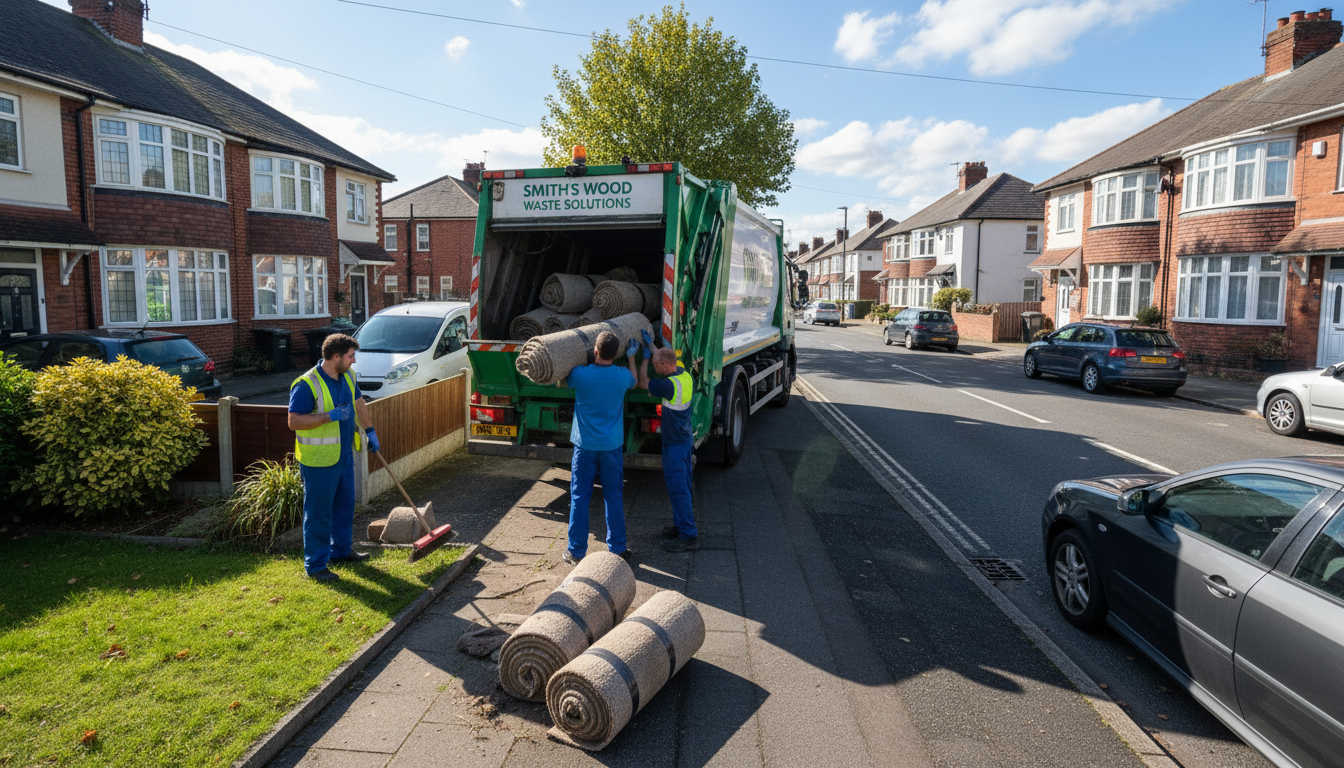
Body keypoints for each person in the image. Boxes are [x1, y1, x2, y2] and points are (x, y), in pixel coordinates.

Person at [287, 333, 380, 582]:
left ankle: (340, 552)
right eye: (351, 356)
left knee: (344, 506)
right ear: (336, 356)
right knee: (319, 513)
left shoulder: (347, 376)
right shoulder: (306, 384)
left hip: (343, 456)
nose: (354, 361)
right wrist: (329, 416)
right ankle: (315, 566)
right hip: (318, 461)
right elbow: (294, 421)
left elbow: (358, 401)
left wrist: (369, 430)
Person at [563, 330, 637, 564]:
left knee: (579, 497)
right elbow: (635, 382)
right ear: (617, 354)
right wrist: (634, 357)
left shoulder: (580, 375)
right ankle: (617, 549)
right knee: (613, 496)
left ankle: (575, 551)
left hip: (584, 446)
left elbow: (566, 379)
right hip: (611, 447)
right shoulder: (622, 376)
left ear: (595, 351)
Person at [635, 332, 698, 552]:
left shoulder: (669, 386)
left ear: (663, 365)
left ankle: (689, 535)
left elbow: (642, 382)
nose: (654, 367)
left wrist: (642, 359)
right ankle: (682, 525)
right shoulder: (684, 374)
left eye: (655, 365)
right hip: (684, 439)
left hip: (674, 443)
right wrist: (651, 346)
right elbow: (664, 356)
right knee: (684, 486)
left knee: (677, 488)